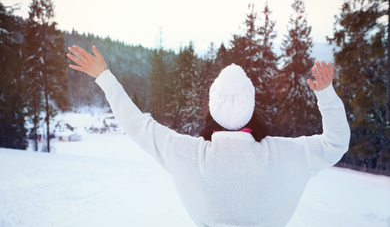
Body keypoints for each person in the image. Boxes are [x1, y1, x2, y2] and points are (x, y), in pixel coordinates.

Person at [67, 45, 350, 227]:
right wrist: (325, 94)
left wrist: (104, 76)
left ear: (212, 109)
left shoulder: (189, 154)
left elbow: (136, 125)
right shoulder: (282, 155)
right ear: (251, 108)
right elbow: (335, 143)